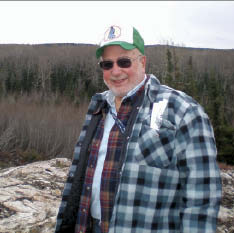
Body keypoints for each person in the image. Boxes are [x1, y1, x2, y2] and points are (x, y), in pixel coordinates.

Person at [55, 25, 222, 233]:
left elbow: (202, 199)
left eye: (124, 62)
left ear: (143, 62)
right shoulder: (100, 108)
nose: (115, 71)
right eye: (107, 64)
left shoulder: (182, 111)